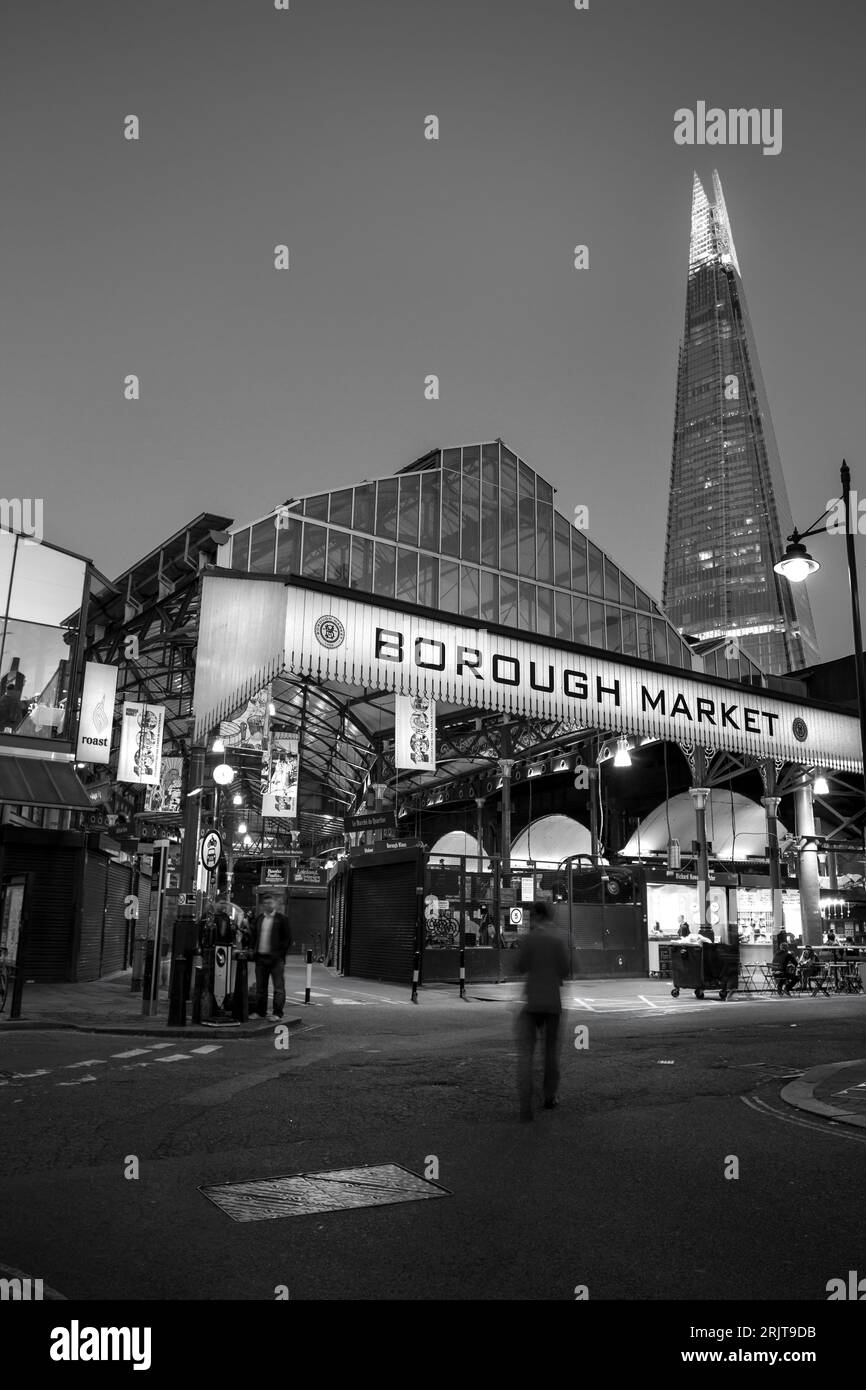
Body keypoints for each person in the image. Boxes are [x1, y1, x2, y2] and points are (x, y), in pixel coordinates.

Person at [516, 900, 570, 1122]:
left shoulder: (529, 939)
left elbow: (519, 967)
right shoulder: (558, 939)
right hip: (552, 1004)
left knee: (526, 1054)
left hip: (531, 1004)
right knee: (550, 1053)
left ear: (537, 915)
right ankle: (549, 1096)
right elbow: (566, 971)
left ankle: (526, 1100)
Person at [249, 894, 291, 1020]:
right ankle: (260, 1012)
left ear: (274, 904)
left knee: (278, 988)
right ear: (263, 905)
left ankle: (277, 1013)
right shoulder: (260, 918)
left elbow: (287, 939)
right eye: (265, 903)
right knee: (261, 989)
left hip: (276, 960)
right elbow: (254, 936)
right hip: (261, 958)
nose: (268, 905)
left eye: (270, 902)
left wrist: (280, 955)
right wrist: (253, 949)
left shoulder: (281, 919)